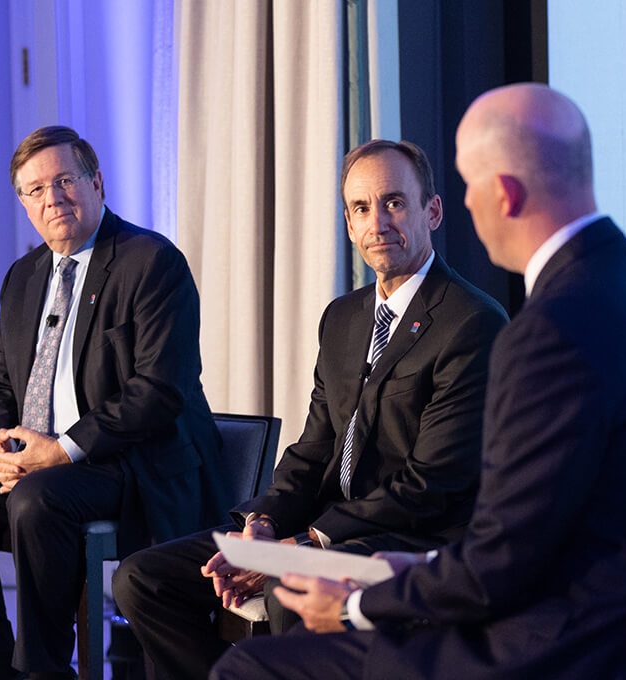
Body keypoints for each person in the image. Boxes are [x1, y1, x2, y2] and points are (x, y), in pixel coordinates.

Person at [209, 83, 626, 680]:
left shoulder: (551, 332)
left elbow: (498, 563)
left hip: (562, 648)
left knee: (247, 669)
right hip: (623, 627)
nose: (465, 204)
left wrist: (356, 600)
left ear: (503, 193)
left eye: (467, 184)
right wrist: (406, 570)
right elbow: (536, 534)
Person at [112, 139, 508, 679]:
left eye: (394, 203)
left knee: (285, 586)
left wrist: (299, 546)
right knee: (140, 579)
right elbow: (313, 448)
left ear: (431, 211)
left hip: (412, 536)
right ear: (348, 224)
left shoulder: (471, 322)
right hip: (318, 528)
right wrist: (263, 524)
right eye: (361, 209)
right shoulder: (342, 318)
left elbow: (429, 485)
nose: (378, 223)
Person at [0, 126, 227, 680]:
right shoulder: (24, 276)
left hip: (134, 463)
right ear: (24, 203)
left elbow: (160, 390)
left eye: (64, 181)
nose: (52, 199)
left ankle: (44, 669)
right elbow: (0, 382)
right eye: (35, 190)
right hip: (42, 465)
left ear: (96, 183)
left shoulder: (151, 262)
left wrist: (61, 451)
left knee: (36, 499)